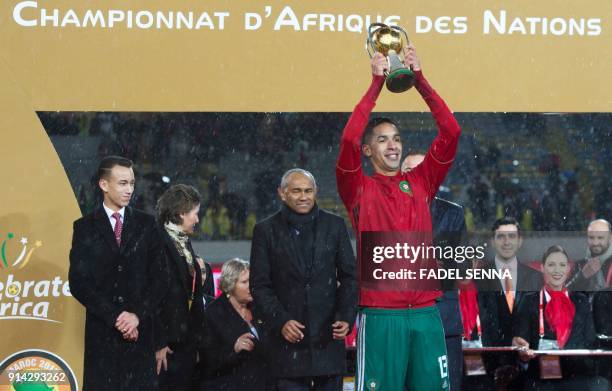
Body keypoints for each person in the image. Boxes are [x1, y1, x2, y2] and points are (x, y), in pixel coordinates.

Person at [336, 44, 460, 390]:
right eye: (382, 140)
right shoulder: (357, 187)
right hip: (380, 316)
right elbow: (348, 137)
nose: (393, 146)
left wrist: (419, 79)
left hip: (425, 314)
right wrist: (376, 84)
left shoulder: (421, 182)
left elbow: (451, 132)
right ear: (367, 150)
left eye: (397, 139)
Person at [250, 169, 357, 391]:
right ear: (282, 193)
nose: (303, 196)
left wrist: (346, 316)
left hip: (328, 339)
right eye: (296, 191)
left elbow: (350, 277)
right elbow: (260, 286)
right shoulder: (265, 230)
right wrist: (281, 321)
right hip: (286, 345)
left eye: (308, 190)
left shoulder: (335, 225)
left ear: (316, 191)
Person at [69, 155, 168, 390]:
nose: (130, 189)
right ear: (104, 185)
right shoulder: (84, 228)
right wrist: (115, 317)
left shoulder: (147, 224)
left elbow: (161, 279)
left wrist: (136, 316)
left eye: (132, 183)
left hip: (140, 337)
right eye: (123, 183)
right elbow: (79, 283)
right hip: (102, 337)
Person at [403, 152, 468, 391]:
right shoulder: (384, 211)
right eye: (409, 170)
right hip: (400, 320)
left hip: (443, 319)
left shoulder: (453, 213)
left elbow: (462, 269)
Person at [513, 245, 609, 391]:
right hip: (540, 378)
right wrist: (521, 349)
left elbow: (590, 344)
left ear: (568, 269)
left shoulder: (581, 301)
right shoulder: (529, 301)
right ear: (542, 268)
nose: (557, 270)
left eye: (562, 265)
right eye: (551, 265)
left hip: (577, 376)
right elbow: (521, 342)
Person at [477, 217, 542, 389]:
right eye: (501, 237)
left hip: (527, 366)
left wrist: (526, 352)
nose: (507, 242)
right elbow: (484, 321)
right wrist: (506, 346)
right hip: (490, 366)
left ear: (520, 241)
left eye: (511, 236)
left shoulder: (535, 277)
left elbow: (536, 318)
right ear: (493, 241)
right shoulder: (479, 277)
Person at [155, 184, 206, 391]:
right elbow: (152, 296)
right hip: (166, 346)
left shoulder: (183, 241)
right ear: (180, 213)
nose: (197, 220)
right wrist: (158, 342)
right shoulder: (156, 242)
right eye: (195, 214)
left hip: (184, 342)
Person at [200, 258, 269, 390]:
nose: (251, 286)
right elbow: (207, 360)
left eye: (251, 281)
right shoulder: (213, 313)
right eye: (244, 282)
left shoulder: (259, 309)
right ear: (230, 285)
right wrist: (233, 350)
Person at [567, 219, 612, 292]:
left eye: (600, 238)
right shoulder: (580, 263)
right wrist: (582, 276)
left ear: (610, 237)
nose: (595, 243)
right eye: (591, 238)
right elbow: (564, 294)